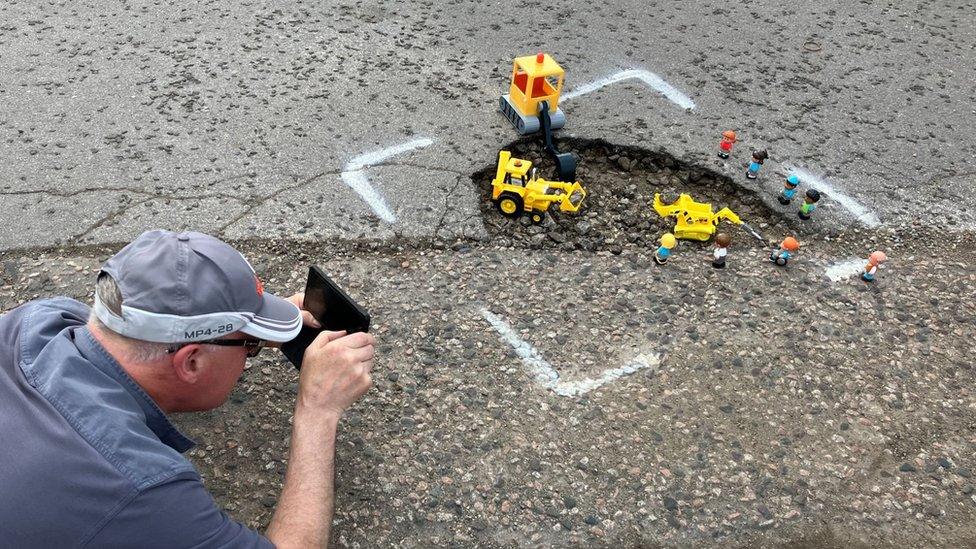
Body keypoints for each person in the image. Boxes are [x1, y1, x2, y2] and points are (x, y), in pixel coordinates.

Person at [0, 230, 375, 548]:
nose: (250, 353)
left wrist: (246, 329)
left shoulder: (38, 319)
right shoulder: (142, 488)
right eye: (249, 347)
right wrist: (317, 410)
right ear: (191, 362)